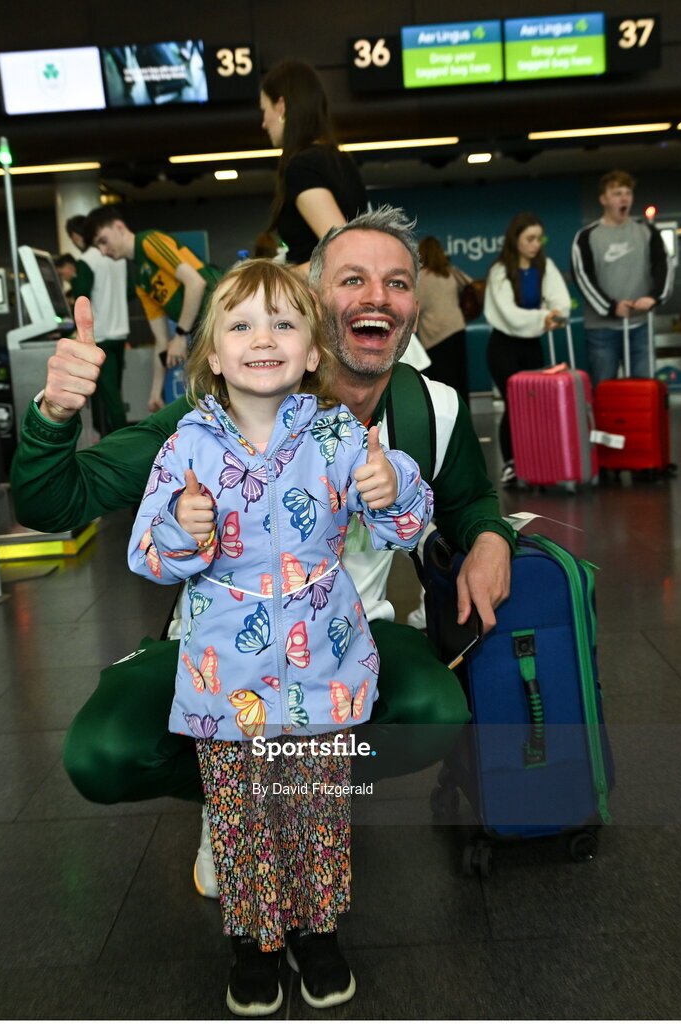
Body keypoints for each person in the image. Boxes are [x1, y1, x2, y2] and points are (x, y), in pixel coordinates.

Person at [10, 204, 515, 901]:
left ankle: (295, 795)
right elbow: (53, 502)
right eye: (353, 280)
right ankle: (241, 800)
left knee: (435, 711)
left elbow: (467, 501)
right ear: (312, 300)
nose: (377, 297)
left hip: (348, 634)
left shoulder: (433, 408)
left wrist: (491, 538)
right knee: (102, 755)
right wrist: (55, 415)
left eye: (397, 283)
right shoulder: (207, 420)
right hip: (221, 643)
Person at [129, 258, 433, 1014]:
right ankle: (255, 939)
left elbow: (406, 521)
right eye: (240, 324)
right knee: (240, 814)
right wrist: (181, 526)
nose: (262, 338)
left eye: (283, 323)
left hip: (321, 662)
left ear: (310, 350)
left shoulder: (337, 434)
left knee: (315, 808)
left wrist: (391, 485)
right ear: (212, 352)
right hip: (222, 675)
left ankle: (317, 932)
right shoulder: (186, 446)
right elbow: (148, 554)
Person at [82, 205, 222, 410]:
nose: (103, 251)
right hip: (207, 335)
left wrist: (181, 335)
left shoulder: (149, 241)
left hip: (224, 319)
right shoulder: (141, 280)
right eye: (98, 247)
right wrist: (155, 393)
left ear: (119, 227)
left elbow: (196, 283)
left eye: (103, 241)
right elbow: (162, 342)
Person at [484, 212, 571, 487]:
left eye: (538, 238)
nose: (535, 244)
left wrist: (555, 314)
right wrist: (543, 318)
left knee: (535, 403)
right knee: (513, 403)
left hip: (532, 344)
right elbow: (509, 314)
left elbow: (561, 301)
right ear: (516, 240)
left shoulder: (545, 266)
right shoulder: (500, 271)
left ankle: (535, 461)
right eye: (529, 239)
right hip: (503, 346)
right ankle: (510, 464)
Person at [260, 60, 368, 275]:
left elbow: (345, 255)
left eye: (264, 110)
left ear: (281, 107)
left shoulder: (302, 167)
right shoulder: (339, 160)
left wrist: (281, 279)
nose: (263, 122)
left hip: (321, 304)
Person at [572, 169, 672, 385]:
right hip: (601, 330)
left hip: (641, 326)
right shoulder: (587, 236)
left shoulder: (647, 232)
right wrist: (611, 307)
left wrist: (654, 298)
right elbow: (582, 277)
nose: (624, 198)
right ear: (604, 199)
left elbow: (664, 266)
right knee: (605, 390)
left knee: (644, 392)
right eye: (617, 193)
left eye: (628, 192)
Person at [64, 214, 130, 435]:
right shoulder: (118, 257)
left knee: (110, 400)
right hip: (120, 333)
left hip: (100, 337)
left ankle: (119, 446)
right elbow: (130, 292)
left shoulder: (87, 260)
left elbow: (81, 297)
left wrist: (73, 281)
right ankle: (113, 440)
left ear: (76, 236)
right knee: (115, 395)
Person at [416, 236, 472, 403]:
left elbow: (416, 306)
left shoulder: (421, 278)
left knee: (444, 386)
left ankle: (451, 425)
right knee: (462, 380)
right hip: (458, 329)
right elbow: (470, 284)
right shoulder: (449, 273)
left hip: (436, 337)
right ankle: (465, 418)